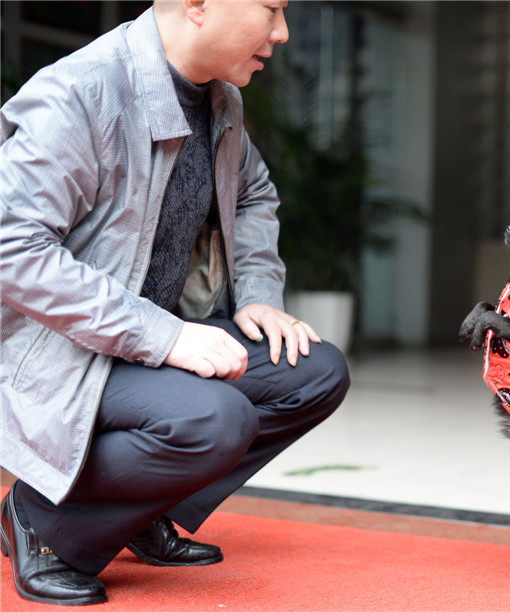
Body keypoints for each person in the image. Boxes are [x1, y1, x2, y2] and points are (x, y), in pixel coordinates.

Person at [0, 0, 349, 606]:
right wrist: (167, 337)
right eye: (269, 9)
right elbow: (11, 249)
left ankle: (137, 510)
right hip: (51, 351)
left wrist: (260, 292)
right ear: (196, 5)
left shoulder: (219, 97)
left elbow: (254, 192)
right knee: (214, 420)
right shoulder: (79, 93)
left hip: (137, 341)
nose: (282, 32)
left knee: (313, 372)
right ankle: (41, 520)